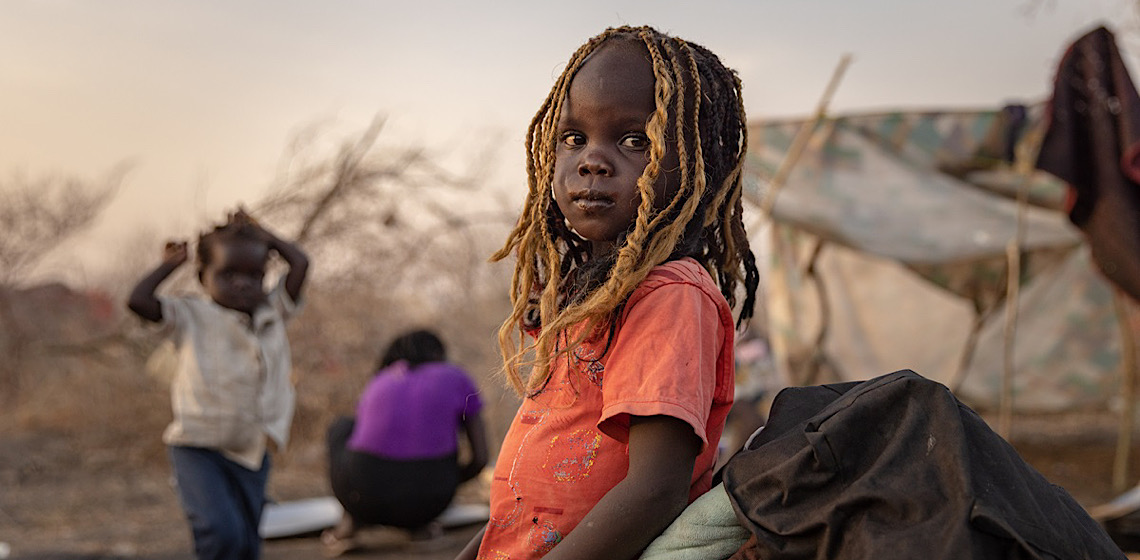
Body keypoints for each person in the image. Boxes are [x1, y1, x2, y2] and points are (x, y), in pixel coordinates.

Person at [456, 25, 759, 560]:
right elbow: (531, 502)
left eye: (635, 140)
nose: (592, 160)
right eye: (574, 138)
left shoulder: (669, 297)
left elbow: (654, 490)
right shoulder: (583, 302)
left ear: (696, 165)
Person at [127, 209, 309, 560]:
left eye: (254, 275)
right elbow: (138, 301)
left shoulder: (273, 312)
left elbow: (300, 264)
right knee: (220, 533)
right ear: (202, 276)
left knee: (245, 543)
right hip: (198, 448)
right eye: (228, 274)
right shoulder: (190, 316)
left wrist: (266, 236)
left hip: (252, 450)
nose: (242, 283)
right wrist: (170, 264)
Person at [322, 329, 488, 555]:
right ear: (438, 353)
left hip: (361, 499)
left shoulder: (382, 379)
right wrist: (445, 483)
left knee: (343, 427)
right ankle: (420, 527)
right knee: (434, 444)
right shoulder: (456, 376)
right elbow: (480, 458)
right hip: (430, 502)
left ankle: (350, 522)